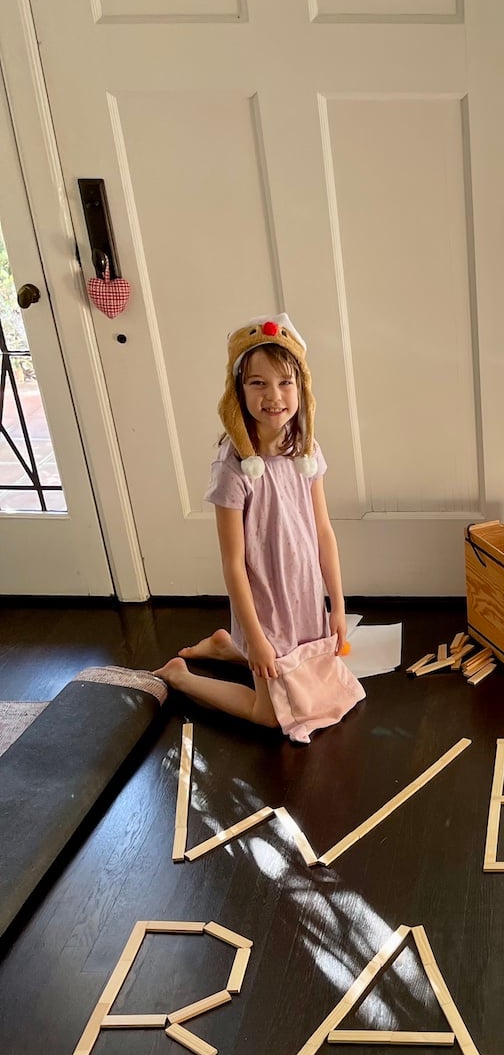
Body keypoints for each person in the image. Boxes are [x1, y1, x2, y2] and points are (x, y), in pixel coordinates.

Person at [154, 316, 363, 741]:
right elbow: (233, 564)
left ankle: (224, 646)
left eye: (285, 383)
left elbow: (323, 531)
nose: (274, 397)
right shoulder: (233, 468)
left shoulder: (305, 451)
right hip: (265, 599)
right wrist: (256, 636)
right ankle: (181, 676)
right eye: (258, 384)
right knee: (270, 715)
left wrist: (337, 604)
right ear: (239, 391)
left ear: (301, 389)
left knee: (312, 682)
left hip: (303, 592)